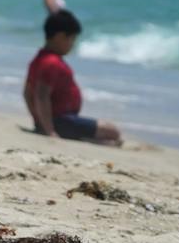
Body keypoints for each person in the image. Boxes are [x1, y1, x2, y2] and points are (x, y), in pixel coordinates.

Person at [24, 9, 121, 145]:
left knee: (110, 135)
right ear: (60, 37)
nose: (72, 45)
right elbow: (41, 96)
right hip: (61, 120)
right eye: (72, 39)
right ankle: (87, 139)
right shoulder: (51, 62)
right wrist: (49, 130)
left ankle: (86, 138)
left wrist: (37, 119)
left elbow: (27, 92)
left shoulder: (38, 59)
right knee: (113, 131)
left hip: (58, 119)